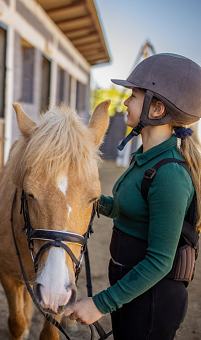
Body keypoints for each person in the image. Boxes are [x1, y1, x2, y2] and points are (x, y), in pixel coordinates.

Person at [65, 53, 201, 339]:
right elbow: (125, 210)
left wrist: (100, 304)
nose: (126, 102)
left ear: (156, 108)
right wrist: (89, 197)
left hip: (153, 298)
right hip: (129, 284)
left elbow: (160, 261)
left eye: (134, 95)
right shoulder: (144, 158)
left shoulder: (170, 176)